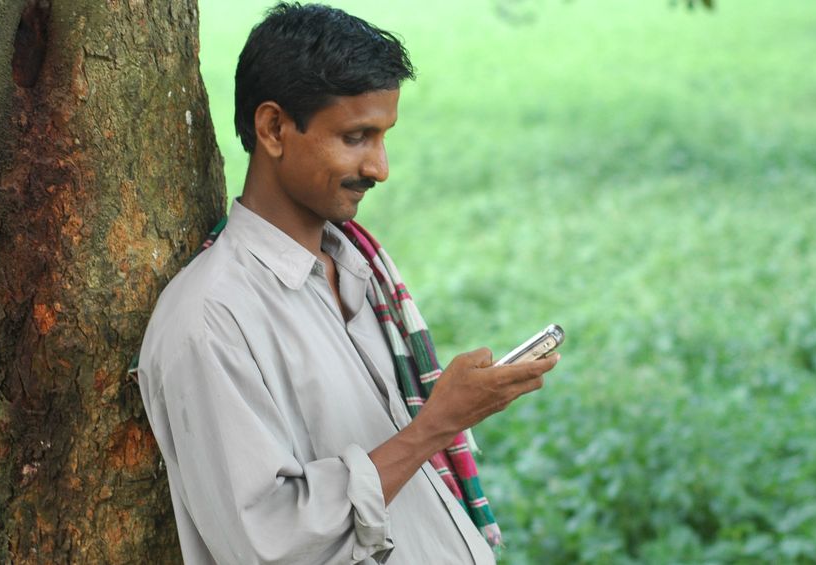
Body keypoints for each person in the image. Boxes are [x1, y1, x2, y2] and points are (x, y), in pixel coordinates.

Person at [137, 3, 559, 564]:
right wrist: (435, 425)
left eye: (383, 136)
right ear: (274, 129)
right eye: (356, 137)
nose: (380, 167)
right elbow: (268, 545)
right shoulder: (210, 319)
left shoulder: (362, 269)